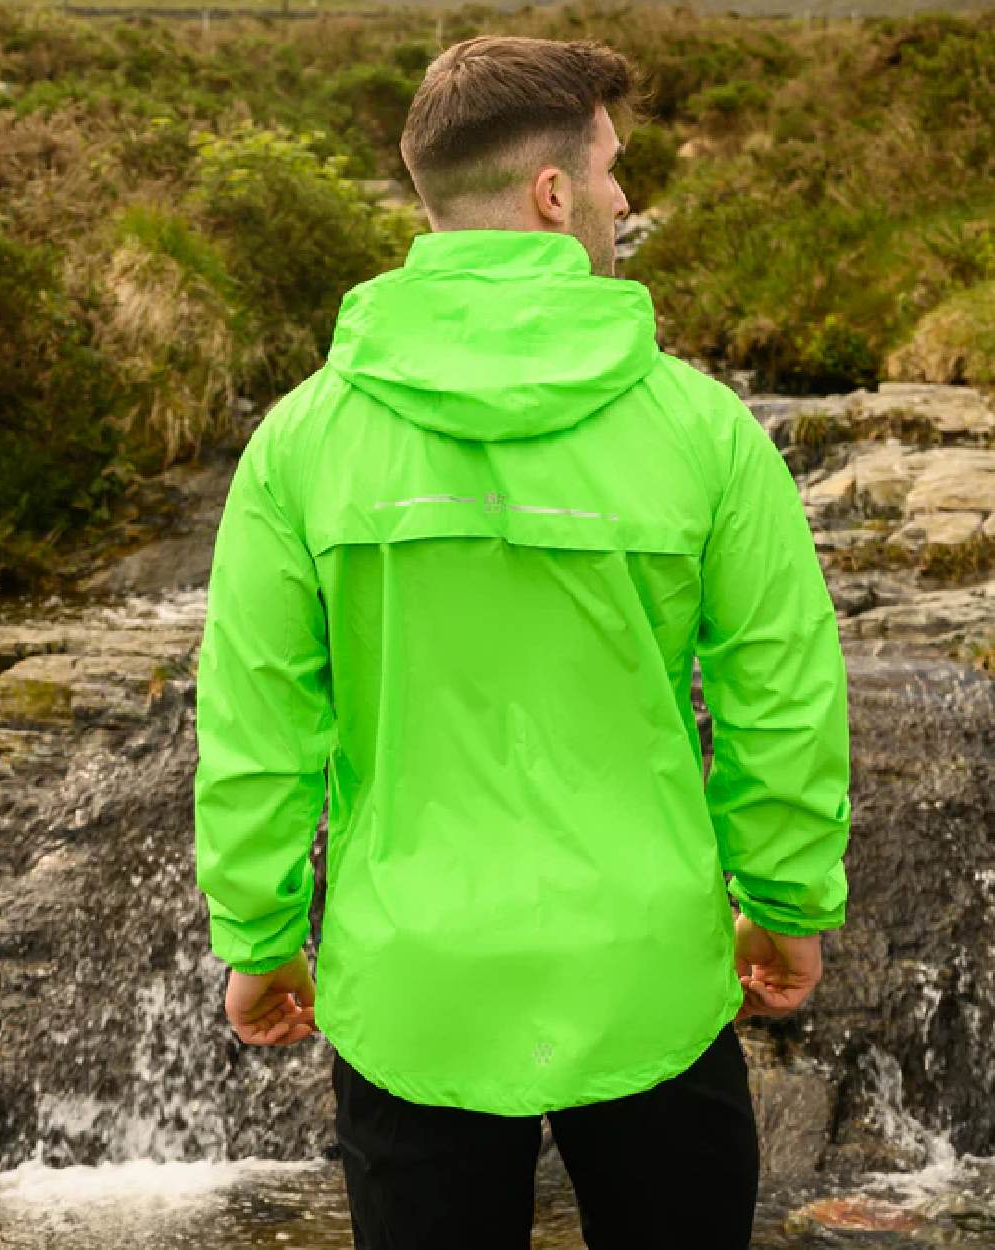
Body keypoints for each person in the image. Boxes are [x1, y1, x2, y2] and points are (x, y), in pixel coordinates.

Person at [194, 34, 851, 1250]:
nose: (622, 197)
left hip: (414, 982)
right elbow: (782, 695)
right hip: (648, 969)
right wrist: (783, 899)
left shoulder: (300, 442)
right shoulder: (703, 431)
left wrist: (261, 931)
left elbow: (258, 720)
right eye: (609, 169)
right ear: (552, 195)